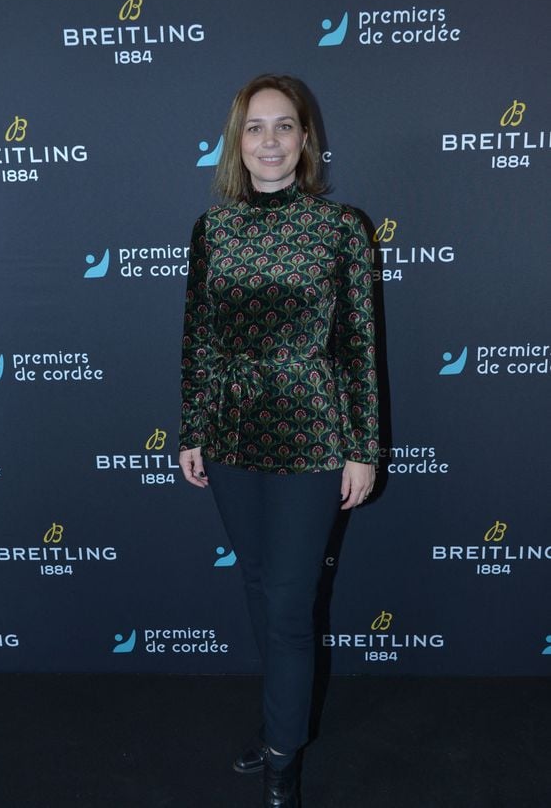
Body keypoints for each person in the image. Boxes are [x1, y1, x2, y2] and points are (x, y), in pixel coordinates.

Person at [179, 74, 378, 808]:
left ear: (305, 139)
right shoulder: (213, 229)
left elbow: (358, 345)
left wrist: (364, 446)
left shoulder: (341, 228)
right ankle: (278, 724)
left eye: (284, 125)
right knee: (261, 590)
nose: (269, 140)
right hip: (230, 433)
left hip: (312, 434)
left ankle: (281, 762)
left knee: (292, 604)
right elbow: (198, 340)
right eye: (255, 127)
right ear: (238, 141)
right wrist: (192, 430)